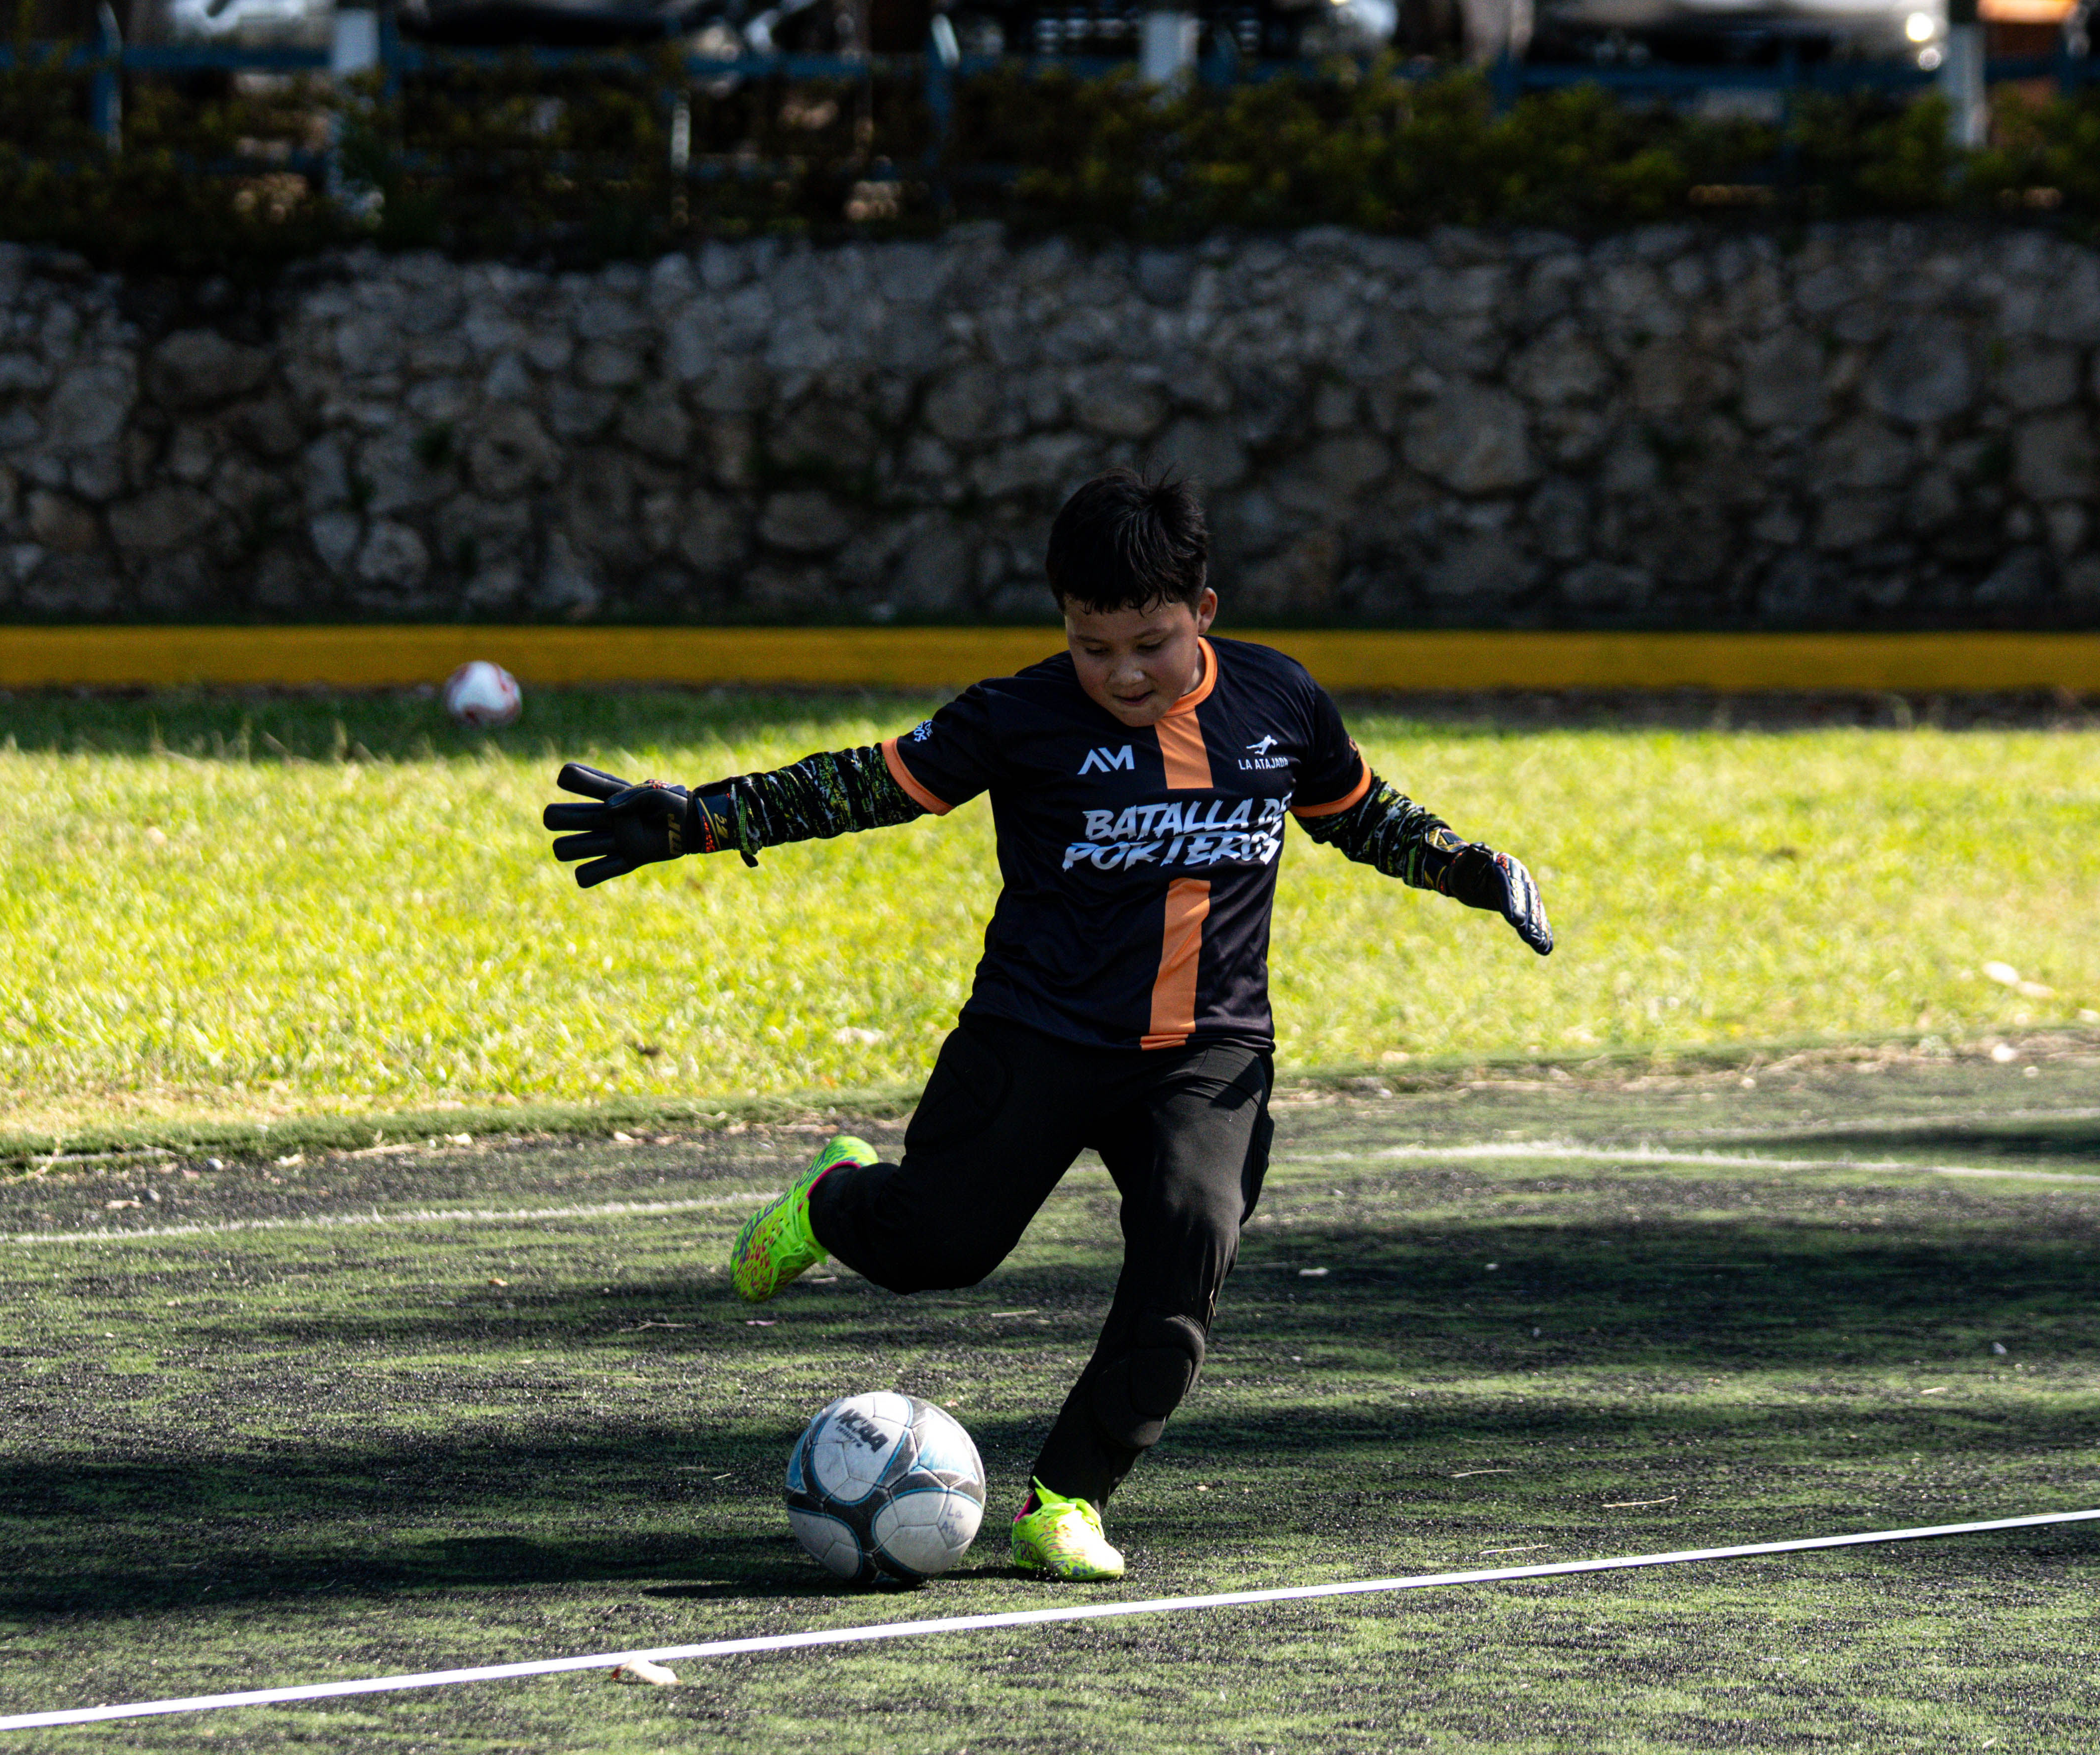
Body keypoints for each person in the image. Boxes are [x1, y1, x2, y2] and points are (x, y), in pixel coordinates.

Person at [543, 470, 1552, 1581]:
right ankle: (836, 1199)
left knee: (1189, 1241)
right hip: (1036, 1037)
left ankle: (1065, 1498)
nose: (1122, 672)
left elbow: (1361, 814)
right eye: (1091, 644)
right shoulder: (1018, 717)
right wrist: (700, 819)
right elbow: (863, 786)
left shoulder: (1280, 702)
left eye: (1152, 643)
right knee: (941, 1251)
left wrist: (1469, 869)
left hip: (1209, 1055)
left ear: (1204, 613)